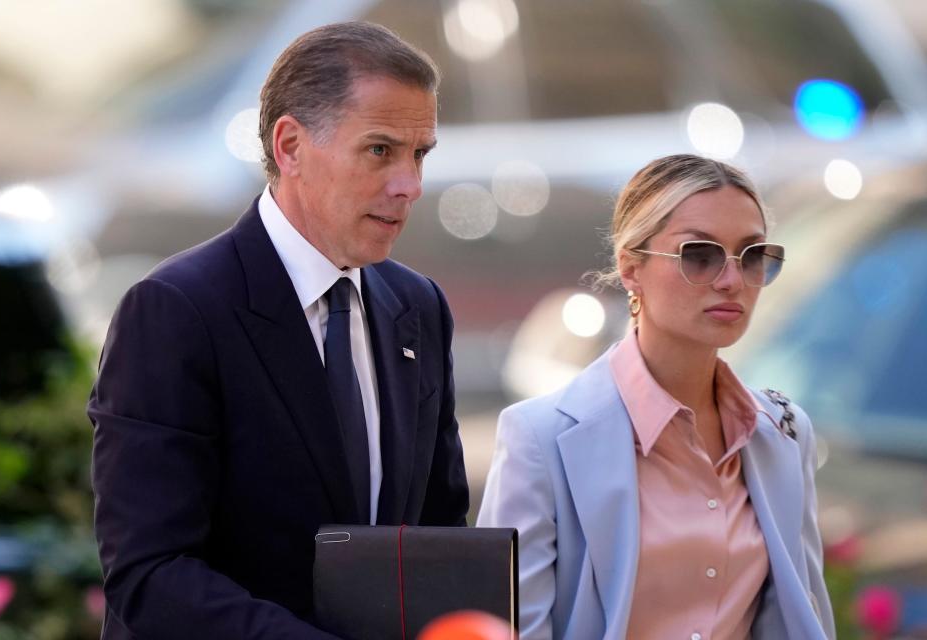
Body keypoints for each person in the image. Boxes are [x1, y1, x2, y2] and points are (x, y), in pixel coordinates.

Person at [88, 22, 469, 640]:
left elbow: (437, 536)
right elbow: (149, 573)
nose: (410, 185)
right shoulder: (175, 310)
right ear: (290, 145)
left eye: (419, 154)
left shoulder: (417, 307)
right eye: (380, 150)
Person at [477, 154, 835, 640]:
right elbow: (510, 629)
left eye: (752, 257)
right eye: (699, 255)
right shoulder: (539, 438)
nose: (732, 280)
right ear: (630, 268)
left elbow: (805, 610)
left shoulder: (785, 431)